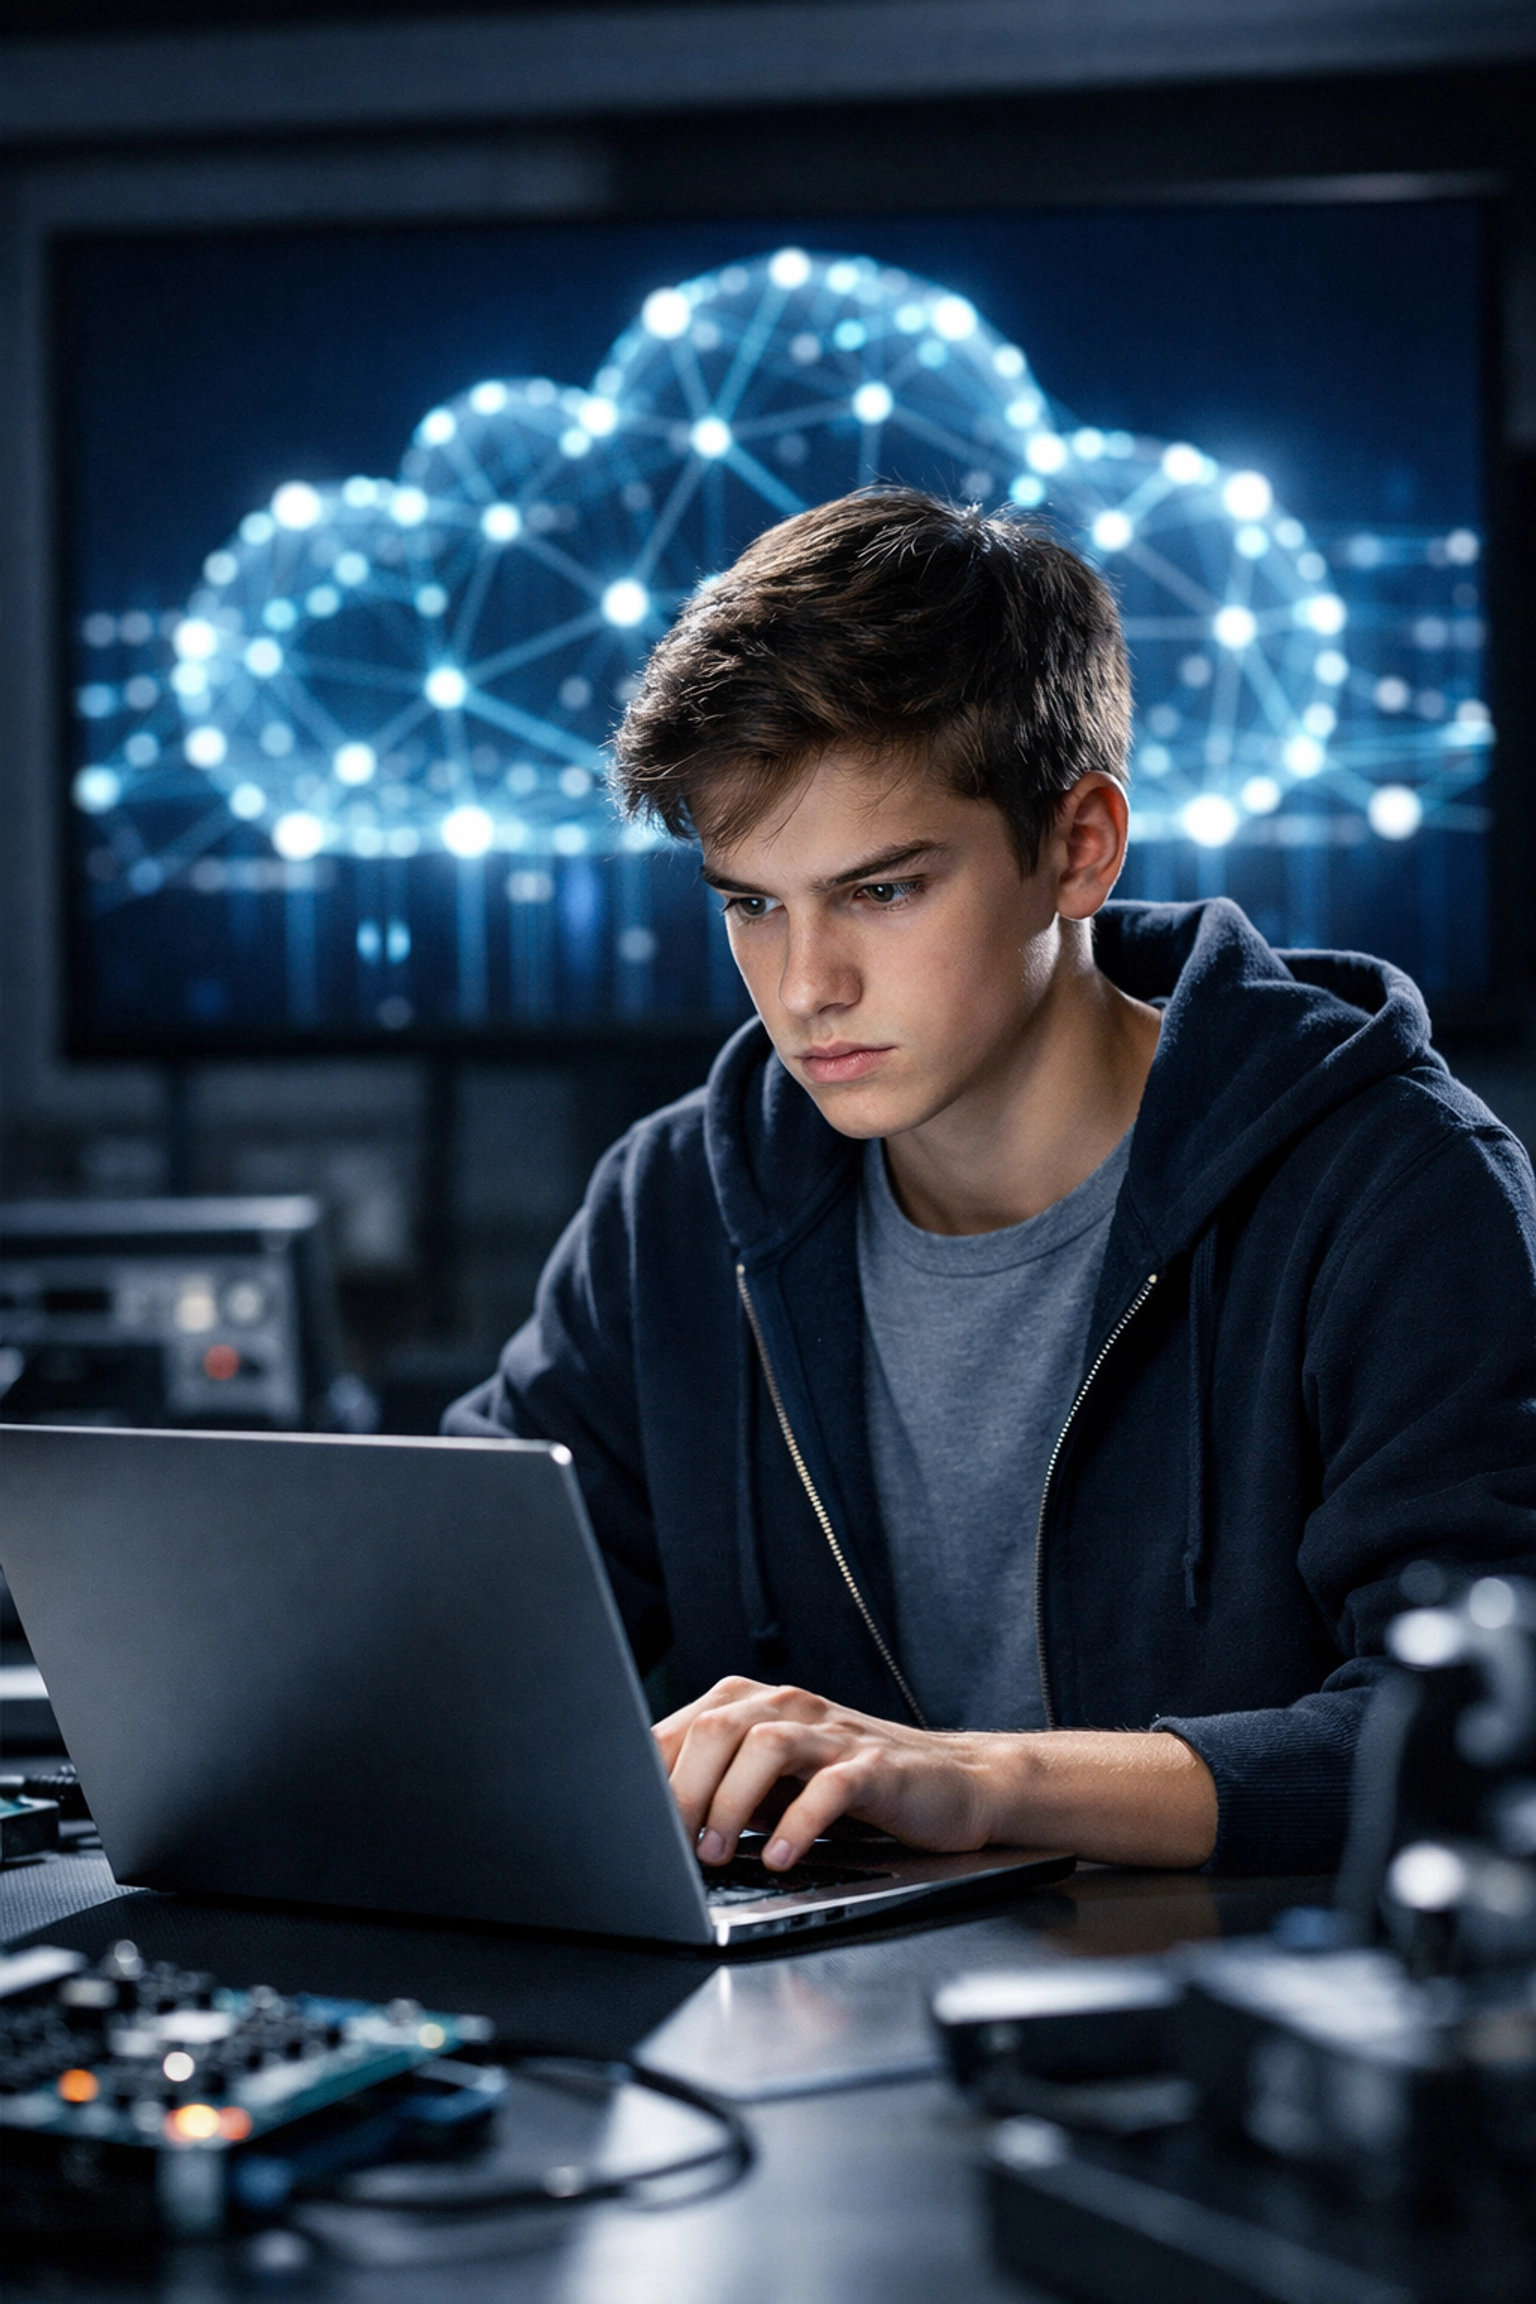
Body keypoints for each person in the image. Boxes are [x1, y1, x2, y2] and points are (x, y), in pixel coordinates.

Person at [447, 488, 1536, 1879]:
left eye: (885, 891)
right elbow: (468, 1634)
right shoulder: (673, 1201)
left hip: (1211, 2038)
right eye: (751, 905)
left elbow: (1481, 1737)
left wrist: (979, 1782)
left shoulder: (1391, 1184)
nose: (806, 987)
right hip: (778, 2038)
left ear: (1078, 846)